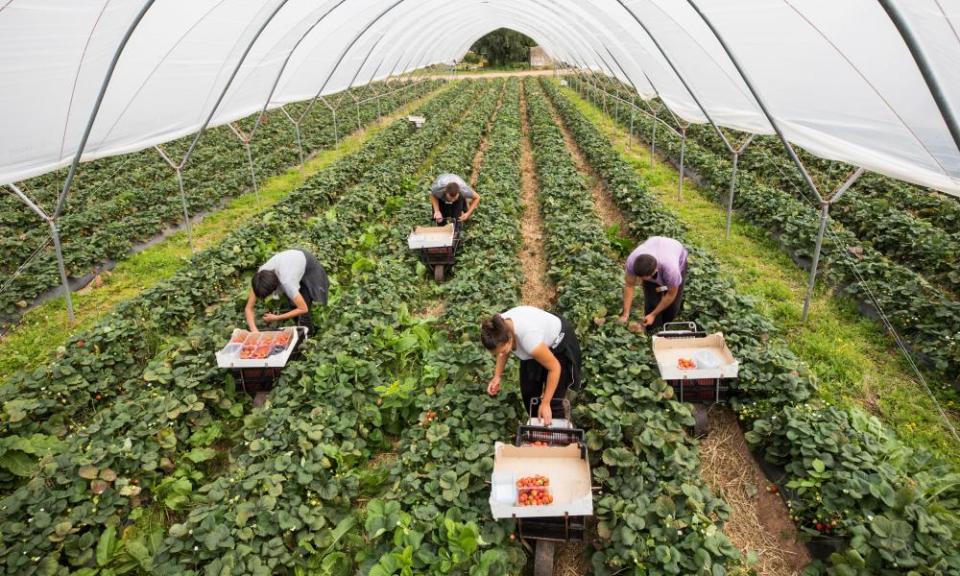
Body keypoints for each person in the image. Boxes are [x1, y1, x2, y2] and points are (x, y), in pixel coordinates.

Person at [481, 306, 582, 426]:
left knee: (554, 402)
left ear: (510, 338)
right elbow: (501, 352)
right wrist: (497, 376)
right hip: (536, 340)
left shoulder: (529, 339)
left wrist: (545, 403)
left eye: (503, 350)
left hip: (558, 343)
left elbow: (555, 368)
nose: (501, 355)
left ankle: (555, 428)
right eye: (497, 353)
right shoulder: (498, 328)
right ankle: (537, 426)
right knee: (529, 394)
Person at [245, 249, 328, 335]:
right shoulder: (260, 277)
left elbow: (303, 309)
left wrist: (277, 318)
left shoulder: (287, 282)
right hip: (290, 263)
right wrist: (254, 331)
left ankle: (308, 337)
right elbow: (248, 308)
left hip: (308, 265)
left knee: (304, 310)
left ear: (275, 287)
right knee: (293, 304)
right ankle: (298, 328)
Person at [618, 236, 688, 331]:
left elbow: (671, 294)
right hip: (655, 245)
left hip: (675, 253)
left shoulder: (671, 269)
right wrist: (625, 314)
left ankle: (664, 328)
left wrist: (654, 314)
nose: (641, 280)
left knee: (672, 308)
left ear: (655, 270)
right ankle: (652, 333)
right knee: (652, 303)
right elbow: (629, 285)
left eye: (646, 277)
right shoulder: (632, 262)